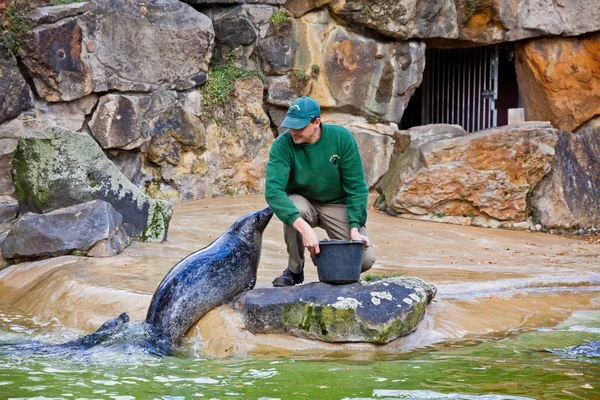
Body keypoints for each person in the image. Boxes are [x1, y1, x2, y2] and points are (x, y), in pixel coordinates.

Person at [265, 96, 376, 287]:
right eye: (290, 126)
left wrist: (355, 228)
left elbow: (357, 188)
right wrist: (305, 229)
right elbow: (273, 191)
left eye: (299, 127)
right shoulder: (282, 145)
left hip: (336, 204)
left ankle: (322, 252)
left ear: (316, 122)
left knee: (364, 260)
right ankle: (294, 270)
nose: (293, 132)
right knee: (293, 209)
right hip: (303, 203)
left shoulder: (341, 138)